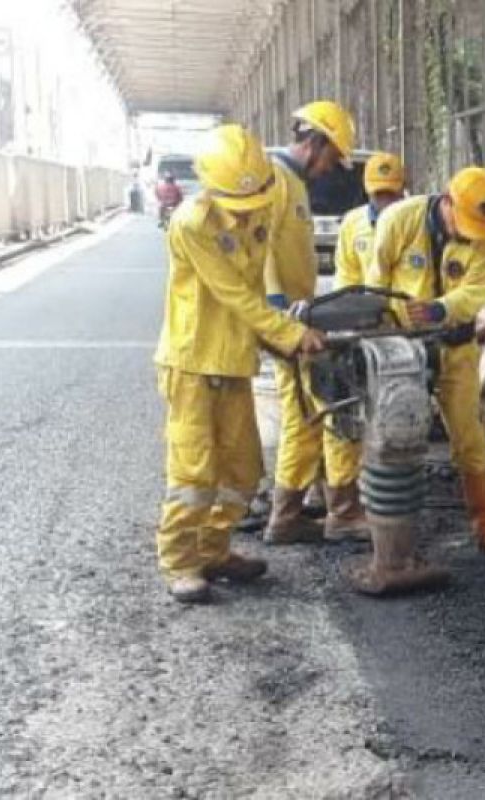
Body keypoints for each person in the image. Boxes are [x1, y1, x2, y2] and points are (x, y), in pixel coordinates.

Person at [154, 124, 326, 604]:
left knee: (245, 469)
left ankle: (214, 549)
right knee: (194, 473)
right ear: (211, 186)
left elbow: (267, 278)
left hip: (234, 359)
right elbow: (234, 295)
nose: (248, 213)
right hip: (191, 361)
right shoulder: (193, 223)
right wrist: (290, 334)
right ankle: (180, 562)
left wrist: (299, 315)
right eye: (238, 204)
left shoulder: (265, 199)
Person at [358, 165, 485, 591]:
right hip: (402, 347)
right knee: (392, 435)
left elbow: (476, 291)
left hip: (454, 346)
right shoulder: (400, 219)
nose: (468, 235)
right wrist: (383, 332)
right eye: (461, 223)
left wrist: (439, 309)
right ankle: (383, 532)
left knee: (469, 436)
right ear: (446, 202)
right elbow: (375, 282)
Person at [261, 99, 358, 545]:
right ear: (315, 142)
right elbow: (259, 250)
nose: (330, 170)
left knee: (310, 407)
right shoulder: (274, 180)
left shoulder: (294, 183)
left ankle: (314, 504)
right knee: (304, 411)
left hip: (298, 312)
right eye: (331, 157)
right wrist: (281, 315)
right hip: (286, 319)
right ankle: (289, 516)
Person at [319, 151, 408, 542]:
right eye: (377, 194)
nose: (384, 202)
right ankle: (342, 505)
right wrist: (349, 319)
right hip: (359, 330)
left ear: (402, 190)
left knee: (394, 417)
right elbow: (346, 277)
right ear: (367, 192)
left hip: (402, 334)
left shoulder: (414, 221)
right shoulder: (353, 223)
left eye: (391, 194)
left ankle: (384, 496)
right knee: (346, 417)